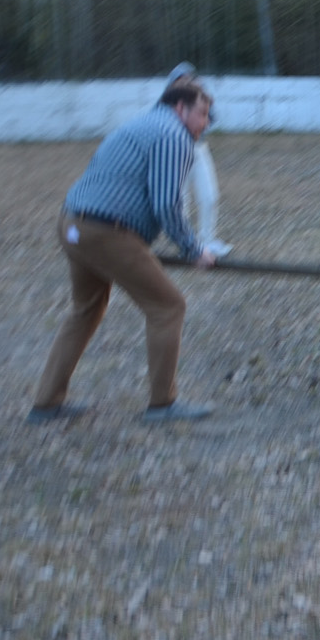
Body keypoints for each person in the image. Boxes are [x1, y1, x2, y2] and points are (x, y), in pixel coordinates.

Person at [28, 76, 218, 423]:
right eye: (202, 114)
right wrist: (194, 250)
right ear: (180, 107)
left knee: (86, 308)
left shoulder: (142, 123)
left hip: (72, 225)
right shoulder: (173, 135)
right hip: (106, 231)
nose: (205, 123)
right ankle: (163, 405)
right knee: (168, 306)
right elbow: (167, 205)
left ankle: (46, 404)